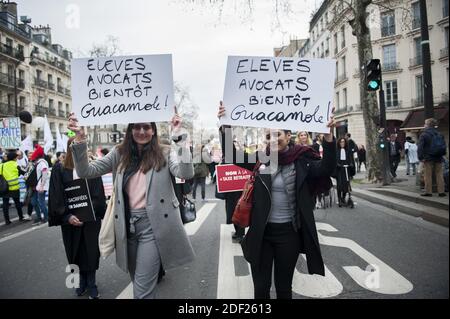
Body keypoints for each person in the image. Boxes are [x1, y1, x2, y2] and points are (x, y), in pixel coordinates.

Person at [68, 110, 195, 299]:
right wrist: (79, 139)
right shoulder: (119, 153)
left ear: (153, 131)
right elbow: (86, 171)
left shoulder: (165, 152)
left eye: (146, 127)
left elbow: (185, 173)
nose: (141, 131)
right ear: (130, 130)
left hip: (154, 226)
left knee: (142, 291)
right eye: (137, 127)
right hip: (127, 227)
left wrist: (180, 139)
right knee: (140, 283)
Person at [218, 102, 336, 299]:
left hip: (288, 235)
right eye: (268, 136)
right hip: (261, 235)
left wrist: (330, 139)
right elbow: (231, 156)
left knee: (283, 288)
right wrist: (225, 125)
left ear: (288, 136)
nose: (273, 139)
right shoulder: (261, 159)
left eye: (278, 135)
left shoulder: (302, 159)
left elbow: (326, 169)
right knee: (261, 289)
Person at [48, 138, 106, 299]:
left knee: (91, 251)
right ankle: (80, 281)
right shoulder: (60, 169)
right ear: (69, 149)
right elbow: (57, 195)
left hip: (90, 219)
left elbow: (98, 194)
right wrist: (67, 216)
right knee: (75, 251)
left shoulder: (92, 168)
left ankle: (92, 282)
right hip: (70, 220)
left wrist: (90, 212)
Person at [418, 118, 447, 197]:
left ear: (428, 125)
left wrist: (421, 157)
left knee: (428, 175)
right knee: (439, 174)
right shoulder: (439, 134)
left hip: (428, 158)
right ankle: (441, 192)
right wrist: (443, 155)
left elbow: (420, 147)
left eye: (425, 123)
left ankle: (428, 192)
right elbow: (444, 146)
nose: (424, 125)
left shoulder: (424, 134)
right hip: (438, 157)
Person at [0, 151, 26, 224]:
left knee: (5, 204)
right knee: (17, 203)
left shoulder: (2, 165)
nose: (17, 158)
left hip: (4, 188)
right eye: (16, 157)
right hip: (14, 188)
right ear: (14, 158)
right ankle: (21, 217)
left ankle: (7, 221)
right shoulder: (16, 164)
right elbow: (22, 173)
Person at [30, 145, 50, 225]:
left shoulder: (42, 163)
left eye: (34, 151)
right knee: (34, 202)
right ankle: (39, 217)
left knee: (41, 202)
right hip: (36, 186)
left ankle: (46, 217)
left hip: (41, 186)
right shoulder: (37, 163)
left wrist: (42, 186)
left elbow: (44, 174)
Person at [335, 138, 355, 207]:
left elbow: (351, 159)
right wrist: (337, 164)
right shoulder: (336, 151)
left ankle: (343, 198)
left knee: (346, 184)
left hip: (346, 169)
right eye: (341, 142)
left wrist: (351, 164)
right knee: (339, 184)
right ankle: (339, 199)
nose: (342, 143)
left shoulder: (348, 151)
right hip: (339, 170)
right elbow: (334, 160)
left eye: (343, 142)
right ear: (339, 143)